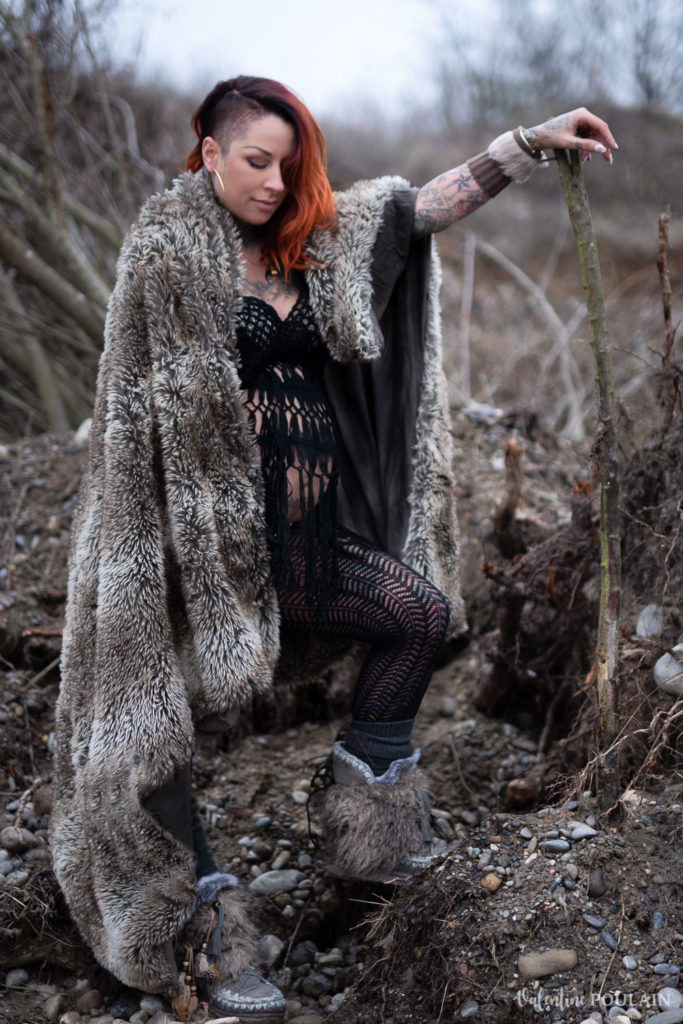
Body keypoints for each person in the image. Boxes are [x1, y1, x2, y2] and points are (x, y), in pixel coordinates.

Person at [50, 75, 617, 1021]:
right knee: (153, 732)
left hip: (309, 544)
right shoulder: (165, 258)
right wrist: (163, 541)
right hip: (200, 563)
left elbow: (414, 212)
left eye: (288, 164)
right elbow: (131, 419)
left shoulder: (310, 242)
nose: (273, 182)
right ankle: (200, 928)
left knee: (417, 613)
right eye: (255, 161)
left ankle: (368, 827)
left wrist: (530, 142)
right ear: (209, 153)